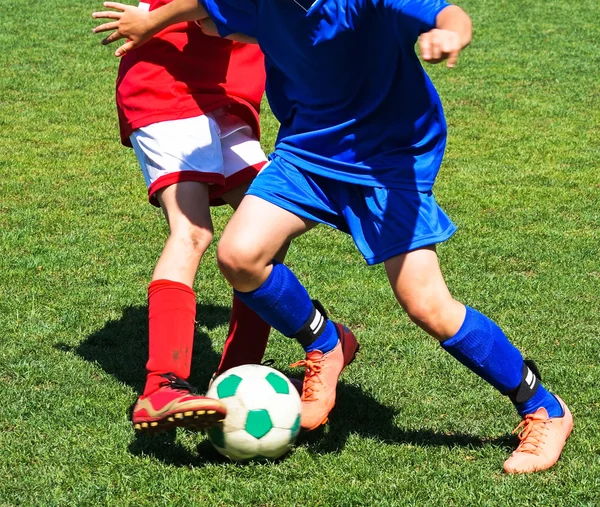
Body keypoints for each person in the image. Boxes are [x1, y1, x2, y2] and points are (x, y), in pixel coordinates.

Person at [92, 0, 572, 474]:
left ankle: (543, 408)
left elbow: (449, 14)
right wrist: (152, 21)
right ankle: (325, 343)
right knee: (239, 256)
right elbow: (206, 5)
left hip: (389, 159)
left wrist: (450, 34)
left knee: (427, 304)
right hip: (307, 152)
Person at [94, 0, 291, 435]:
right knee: (192, 231)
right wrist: (152, 21)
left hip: (224, 97)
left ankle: (238, 373)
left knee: (266, 232)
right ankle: (160, 386)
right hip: (166, 85)